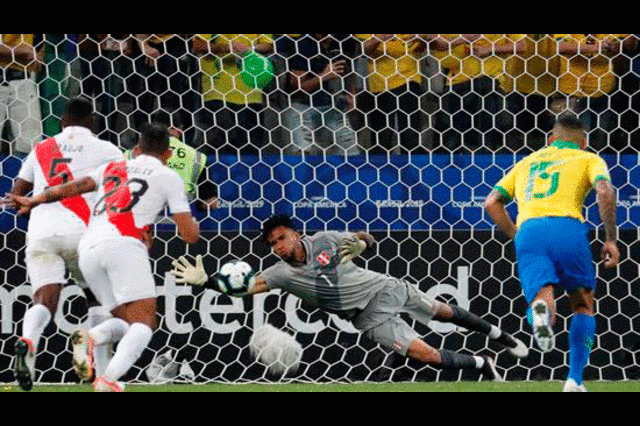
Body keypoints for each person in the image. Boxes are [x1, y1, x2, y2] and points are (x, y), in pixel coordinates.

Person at [171, 213, 530, 381]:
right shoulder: (280, 273)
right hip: (367, 318)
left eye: (282, 238)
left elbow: (364, 238)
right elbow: (246, 288)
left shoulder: (326, 238)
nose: (279, 246)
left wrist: (361, 243)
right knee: (427, 355)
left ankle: (501, 336)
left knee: (439, 311)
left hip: (383, 288)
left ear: (295, 234)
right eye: (273, 244)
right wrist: (206, 282)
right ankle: (483, 363)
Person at [4, 122, 200, 392]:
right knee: (144, 324)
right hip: (124, 246)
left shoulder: (113, 168)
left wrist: (34, 200)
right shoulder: (168, 176)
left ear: (135, 149)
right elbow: (189, 235)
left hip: (89, 248)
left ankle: (91, 337)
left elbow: (72, 187)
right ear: (167, 155)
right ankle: (107, 380)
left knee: (123, 319)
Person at [484, 113, 620, 392]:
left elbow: (491, 202)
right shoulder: (589, 159)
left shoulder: (527, 162)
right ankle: (574, 380)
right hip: (567, 228)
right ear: (583, 141)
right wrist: (611, 238)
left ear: (550, 139)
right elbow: (605, 193)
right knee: (583, 305)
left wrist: (515, 233)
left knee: (542, 296)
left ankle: (541, 315)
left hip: (530, 230)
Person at [2, 96, 123, 391]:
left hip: (43, 231)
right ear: (92, 121)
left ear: (61, 122)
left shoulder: (42, 148)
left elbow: (17, 193)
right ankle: (104, 376)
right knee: (100, 301)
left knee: (44, 299)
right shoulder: (107, 149)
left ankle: (29, 341)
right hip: (85, 232)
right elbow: (121, 194)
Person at [431, 34, 526, 152]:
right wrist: (464, 38)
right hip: (457, 83)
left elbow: (521, 46)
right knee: (451, 138)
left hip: (490, 82)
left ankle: (486, 164)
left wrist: (490, 48)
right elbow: (436, 43)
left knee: (487, 136)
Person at [192, 34, 274, 155]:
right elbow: (197, 46)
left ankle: (248, 173)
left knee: (250, 147)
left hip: (251, 90)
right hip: (217, 91)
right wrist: (226, 48)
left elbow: (268, 45)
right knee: (221, 144)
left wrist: (248, 49)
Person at [277, 34, 359, 155]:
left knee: (351, 151)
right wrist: (323, 77)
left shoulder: (344, 41)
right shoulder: (304, 45)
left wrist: (351, 94)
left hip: (333, 108)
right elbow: (296, 89)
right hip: (302, 108)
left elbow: (350, 70)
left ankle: (347, 173)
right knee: (302, 153)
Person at [552, 34, 635, 152]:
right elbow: (559, 46)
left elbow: (630, 43)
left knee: (602, 139)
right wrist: (594, 47)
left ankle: (596, 167)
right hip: (571, 92)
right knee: (572, 140)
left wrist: (614, 45)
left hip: (603, 91)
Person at [124, 112, 218, 212]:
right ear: (180, 129)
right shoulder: (196, 156)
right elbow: (210, 202)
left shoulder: (132, 154)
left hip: (143, 220)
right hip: (181, 220)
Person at [355, 34, 430, 154]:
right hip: (380, 84)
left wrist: (421, 38)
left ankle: (411, 169)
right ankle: (382, 170)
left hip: (409, 79)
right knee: (382, 137)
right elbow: (363, 50)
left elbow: (420, 49)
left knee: (409, 135)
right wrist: (382, 37)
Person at [0, 34, 44, 155]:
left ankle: (25, 173)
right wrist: (25, 50)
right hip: (3, 76)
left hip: (24, 78)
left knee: (31, 143)